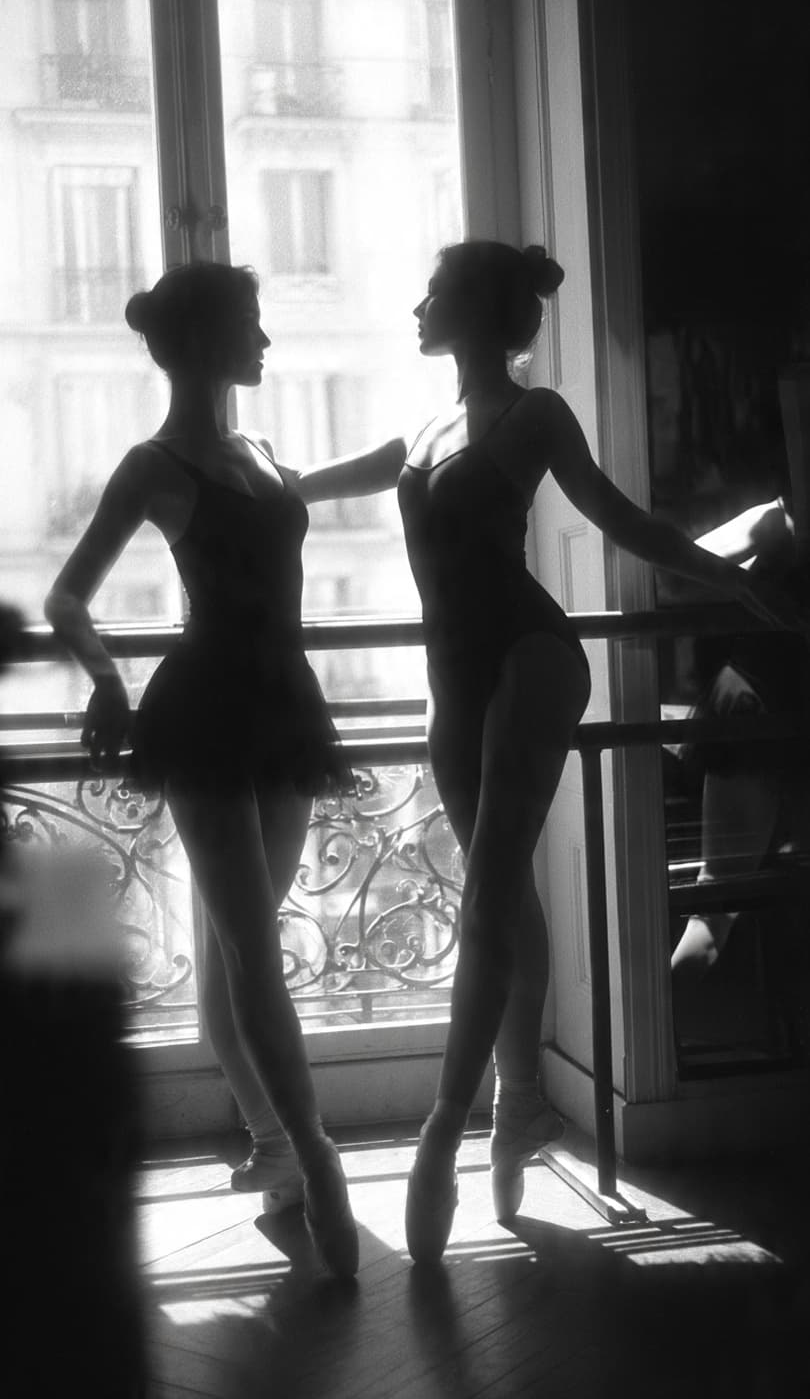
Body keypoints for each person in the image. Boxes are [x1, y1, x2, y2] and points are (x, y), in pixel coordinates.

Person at [395, 238, 807, 1264]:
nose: (418, 307)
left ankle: (447, 1131)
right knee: (505, 899)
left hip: (528, 655)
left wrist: (730, 578)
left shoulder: (534, 414)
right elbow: (289, 495)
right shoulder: (425, 428)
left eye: (434, 293)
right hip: (453, 679)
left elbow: (622, 520)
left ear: (477, 312)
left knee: (488, 896)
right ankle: (524, 1103)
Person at [44, 261, 406, 1279]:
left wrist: (418, 453)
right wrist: (107, 682)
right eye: (252, 322)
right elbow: (68, 596)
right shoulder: (153, 465)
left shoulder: (261, 452)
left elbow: (339, 479)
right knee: (249, 951)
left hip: (283, 707)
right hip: (202, 710)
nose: (267, 340)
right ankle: (318, 1161)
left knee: (234, 946)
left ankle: (273, 1144)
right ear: (208, 340)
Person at [671, 497, 810, 989]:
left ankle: (639, 1033)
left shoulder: (783, 520)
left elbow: (672, 573)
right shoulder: (781, 521)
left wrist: (743, 582)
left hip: (759, 700)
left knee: (716, 908)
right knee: (719, 906)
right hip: (767, 706)